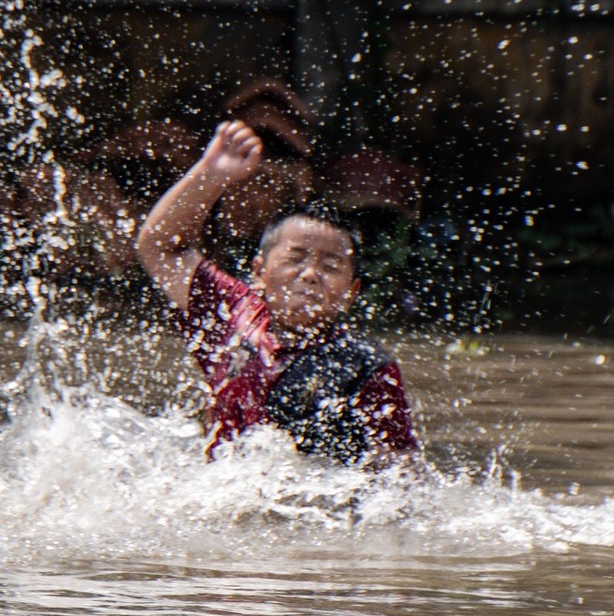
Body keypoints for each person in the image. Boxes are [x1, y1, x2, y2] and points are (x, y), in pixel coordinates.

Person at [135, 119, 420, 464]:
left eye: (330, 266)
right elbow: (160, 246)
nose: (311, 274)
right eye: (296, 258)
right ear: (260, 272)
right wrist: (211, 173)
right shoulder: (232, 315)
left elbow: (403, 474)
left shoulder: (367, 366)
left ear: (351, 292)